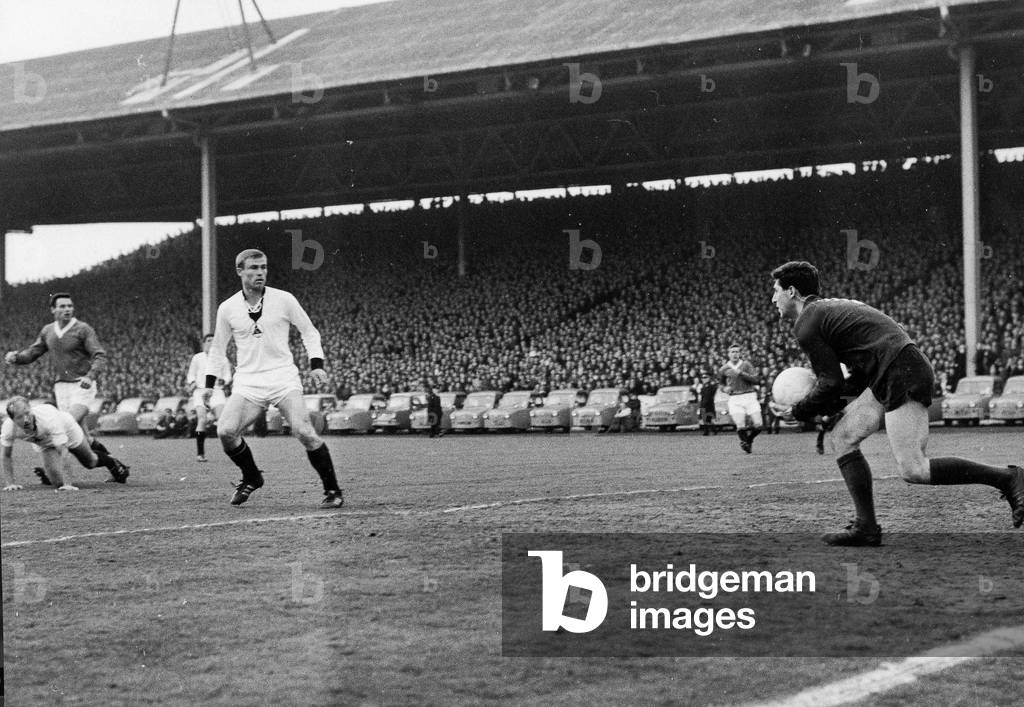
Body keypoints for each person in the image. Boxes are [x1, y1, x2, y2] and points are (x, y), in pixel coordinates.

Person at [768, 260, 1024, 546]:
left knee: (913, 468)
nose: (773, 298)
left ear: (792, 291)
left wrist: (798, 410)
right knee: (843, 437)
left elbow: (831, 384)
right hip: (891, 369)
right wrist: (825, 408)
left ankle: (1008, 477)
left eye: (775, 290)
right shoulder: (827, 310)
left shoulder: (807, 323)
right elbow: (853, 379)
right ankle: (866, 527)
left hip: (901, 371)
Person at [203, 249, 343, 508]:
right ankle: (252, 476)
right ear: (240, 271)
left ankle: (332, 490)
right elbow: (218, 349)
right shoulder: (227, 308)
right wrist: (209, 385)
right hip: (248, 382)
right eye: (254, 268)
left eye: (264, 268)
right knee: (225, 431)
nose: (260, 273)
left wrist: (316, 365)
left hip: (283, 378)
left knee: (304, 431)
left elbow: (309, 332)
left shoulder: (284, 299)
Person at [3, 292, 128, 482]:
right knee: (81, 435)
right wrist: (17, 358)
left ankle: (53, 468)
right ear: (53, 310)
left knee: (66, 423)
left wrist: (90, 375)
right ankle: (115, 466)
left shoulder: (83, 329)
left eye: (69, 306)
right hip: (61, 387)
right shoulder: (48, 331)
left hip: (82, 385)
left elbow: (99, 355)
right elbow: (34, 352)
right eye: (62, 306)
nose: (67, 309)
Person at [1, 396, 130, 491]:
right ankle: (52, 473)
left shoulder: (49, 419)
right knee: (57, 483)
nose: (26, 419)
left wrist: (69, 484)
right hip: (44, 443)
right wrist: (10, 483)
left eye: (27, 413)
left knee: (90, 462)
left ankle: (111, 462)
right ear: (12, 419)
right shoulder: (9, 428)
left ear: (31, 410)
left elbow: (63, 451)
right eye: (19, 417)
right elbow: (6, 455)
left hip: (68, 430)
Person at [187, 333, 232, 462]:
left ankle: (231, 450)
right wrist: (192, 382)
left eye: (213, 341)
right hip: (200, 391)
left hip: (216, 391)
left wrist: (223, 381)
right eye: (208, 341)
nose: (211, 343)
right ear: (204, 343)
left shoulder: (222, 358)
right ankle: (200, 454)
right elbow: (191, 375)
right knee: (202, 419)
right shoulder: (197, 358)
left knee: (222, 420)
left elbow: (227, 376)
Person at [718, 344, 763, 453]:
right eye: (732, 351)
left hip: (750, 396)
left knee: (759, 425)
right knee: (740, 424)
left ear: (740, 354)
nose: (735, 354)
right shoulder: (723, 369)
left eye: (737, 351)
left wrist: (742, 373)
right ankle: (746, 445)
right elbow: (720, 385)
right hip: (735, 399)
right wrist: (724, 389)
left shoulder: (746, 365)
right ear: (728, 354)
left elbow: (756, 379)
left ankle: (748, 440)